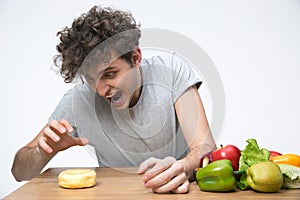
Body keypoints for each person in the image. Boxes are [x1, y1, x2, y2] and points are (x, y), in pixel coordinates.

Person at [11, 6, 216, 194]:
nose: (101, 91)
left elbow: (206, 148)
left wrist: (184, 166)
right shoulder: (80, 99)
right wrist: (41, 151)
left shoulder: (171, 72)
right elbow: (20, 172)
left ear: (135, 58)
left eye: (109, 74)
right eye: (91, 79)